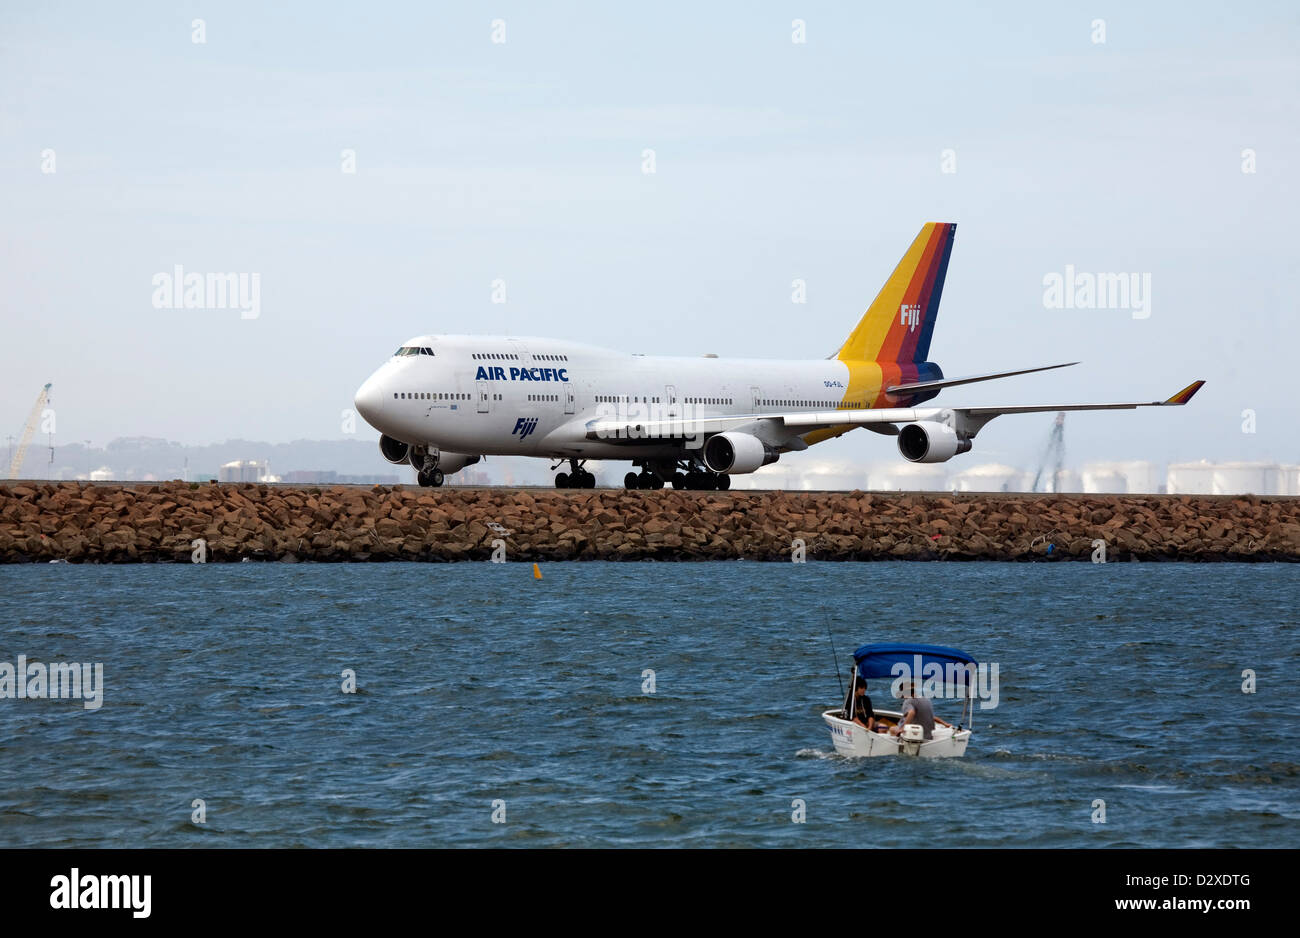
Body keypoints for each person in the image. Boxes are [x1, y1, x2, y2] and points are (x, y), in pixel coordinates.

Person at [888, 681, 953, 740]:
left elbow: (911, 713)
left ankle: (899, 744)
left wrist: (902, 728)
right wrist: (945, 724)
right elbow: (931, 717)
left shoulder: (908, 701)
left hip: (917, 734)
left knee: (892, 729)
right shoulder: (926, 699)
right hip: (928, 735)